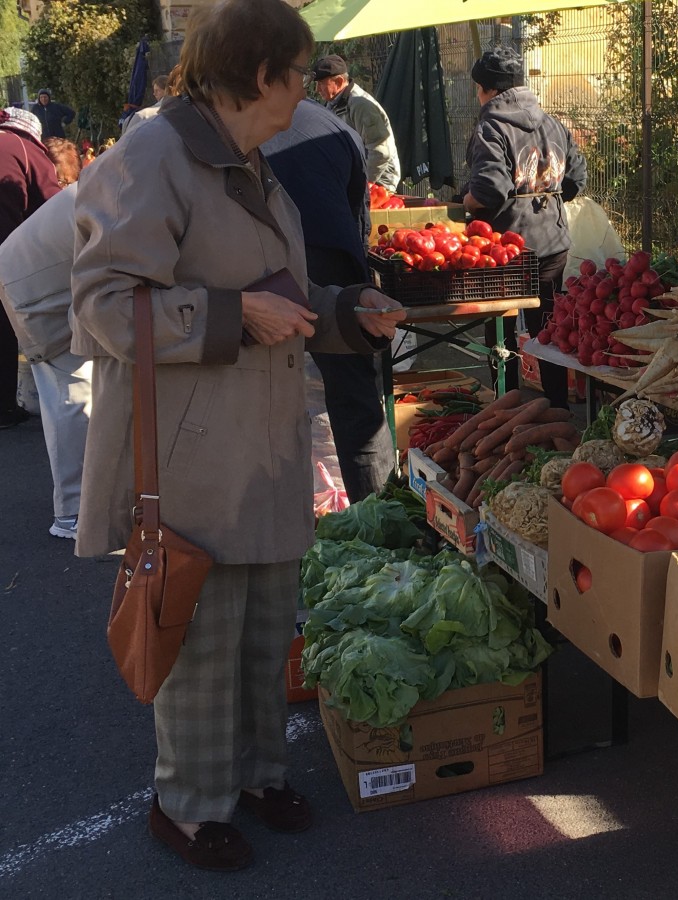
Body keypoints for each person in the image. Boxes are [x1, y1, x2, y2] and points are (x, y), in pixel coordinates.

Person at [69, 0, 404, 872]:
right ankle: (186, 805)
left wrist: (343, 313)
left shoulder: (251, 158)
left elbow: (274, 295)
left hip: (258, 444)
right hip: (189, 452)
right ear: (262, 75)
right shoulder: (152, 156)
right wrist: (229, 314)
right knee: (202, 639)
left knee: (262, 629)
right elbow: (103, 305)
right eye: (299, 72)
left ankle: (255, 775)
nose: (310, 89)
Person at [262, 99, 396, 501]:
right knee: (355, 397)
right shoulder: (335, 126)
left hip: (270, 263)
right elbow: (361, 219)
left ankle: (292, 506)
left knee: (267, 385)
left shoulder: (242, 125)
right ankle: (380, 510)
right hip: (333, 256)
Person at [463, 46, 587, 408]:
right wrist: (544, 197)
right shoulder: (551, 123)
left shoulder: (491, 126)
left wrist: (465, 201)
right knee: (546, 330)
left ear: (485, 90)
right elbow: (576, 180)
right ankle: (557, 410)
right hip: (552, 244)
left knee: (499, 326)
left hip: (506, 248)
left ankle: (507, 409)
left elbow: (488, 190)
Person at [0, 185, 91, 539]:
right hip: (36, 290)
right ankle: (73, 512)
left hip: (37, 278)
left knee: (74, 394)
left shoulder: (116, 177)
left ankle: (83, 506)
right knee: (72, 398)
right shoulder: (128, 188)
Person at [0, 106, 62, 429]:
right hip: (5, 251)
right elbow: (55, 206)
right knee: (4, 326)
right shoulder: (25, 149)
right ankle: (4, 408)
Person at [309, 54, 401, 191]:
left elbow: (380, 152)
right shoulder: (334, 104)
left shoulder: (360, 105)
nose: (317, 90)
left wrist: (362, 185)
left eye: (321, 84)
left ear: (339, 82)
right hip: (356, 179)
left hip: (379, 183)